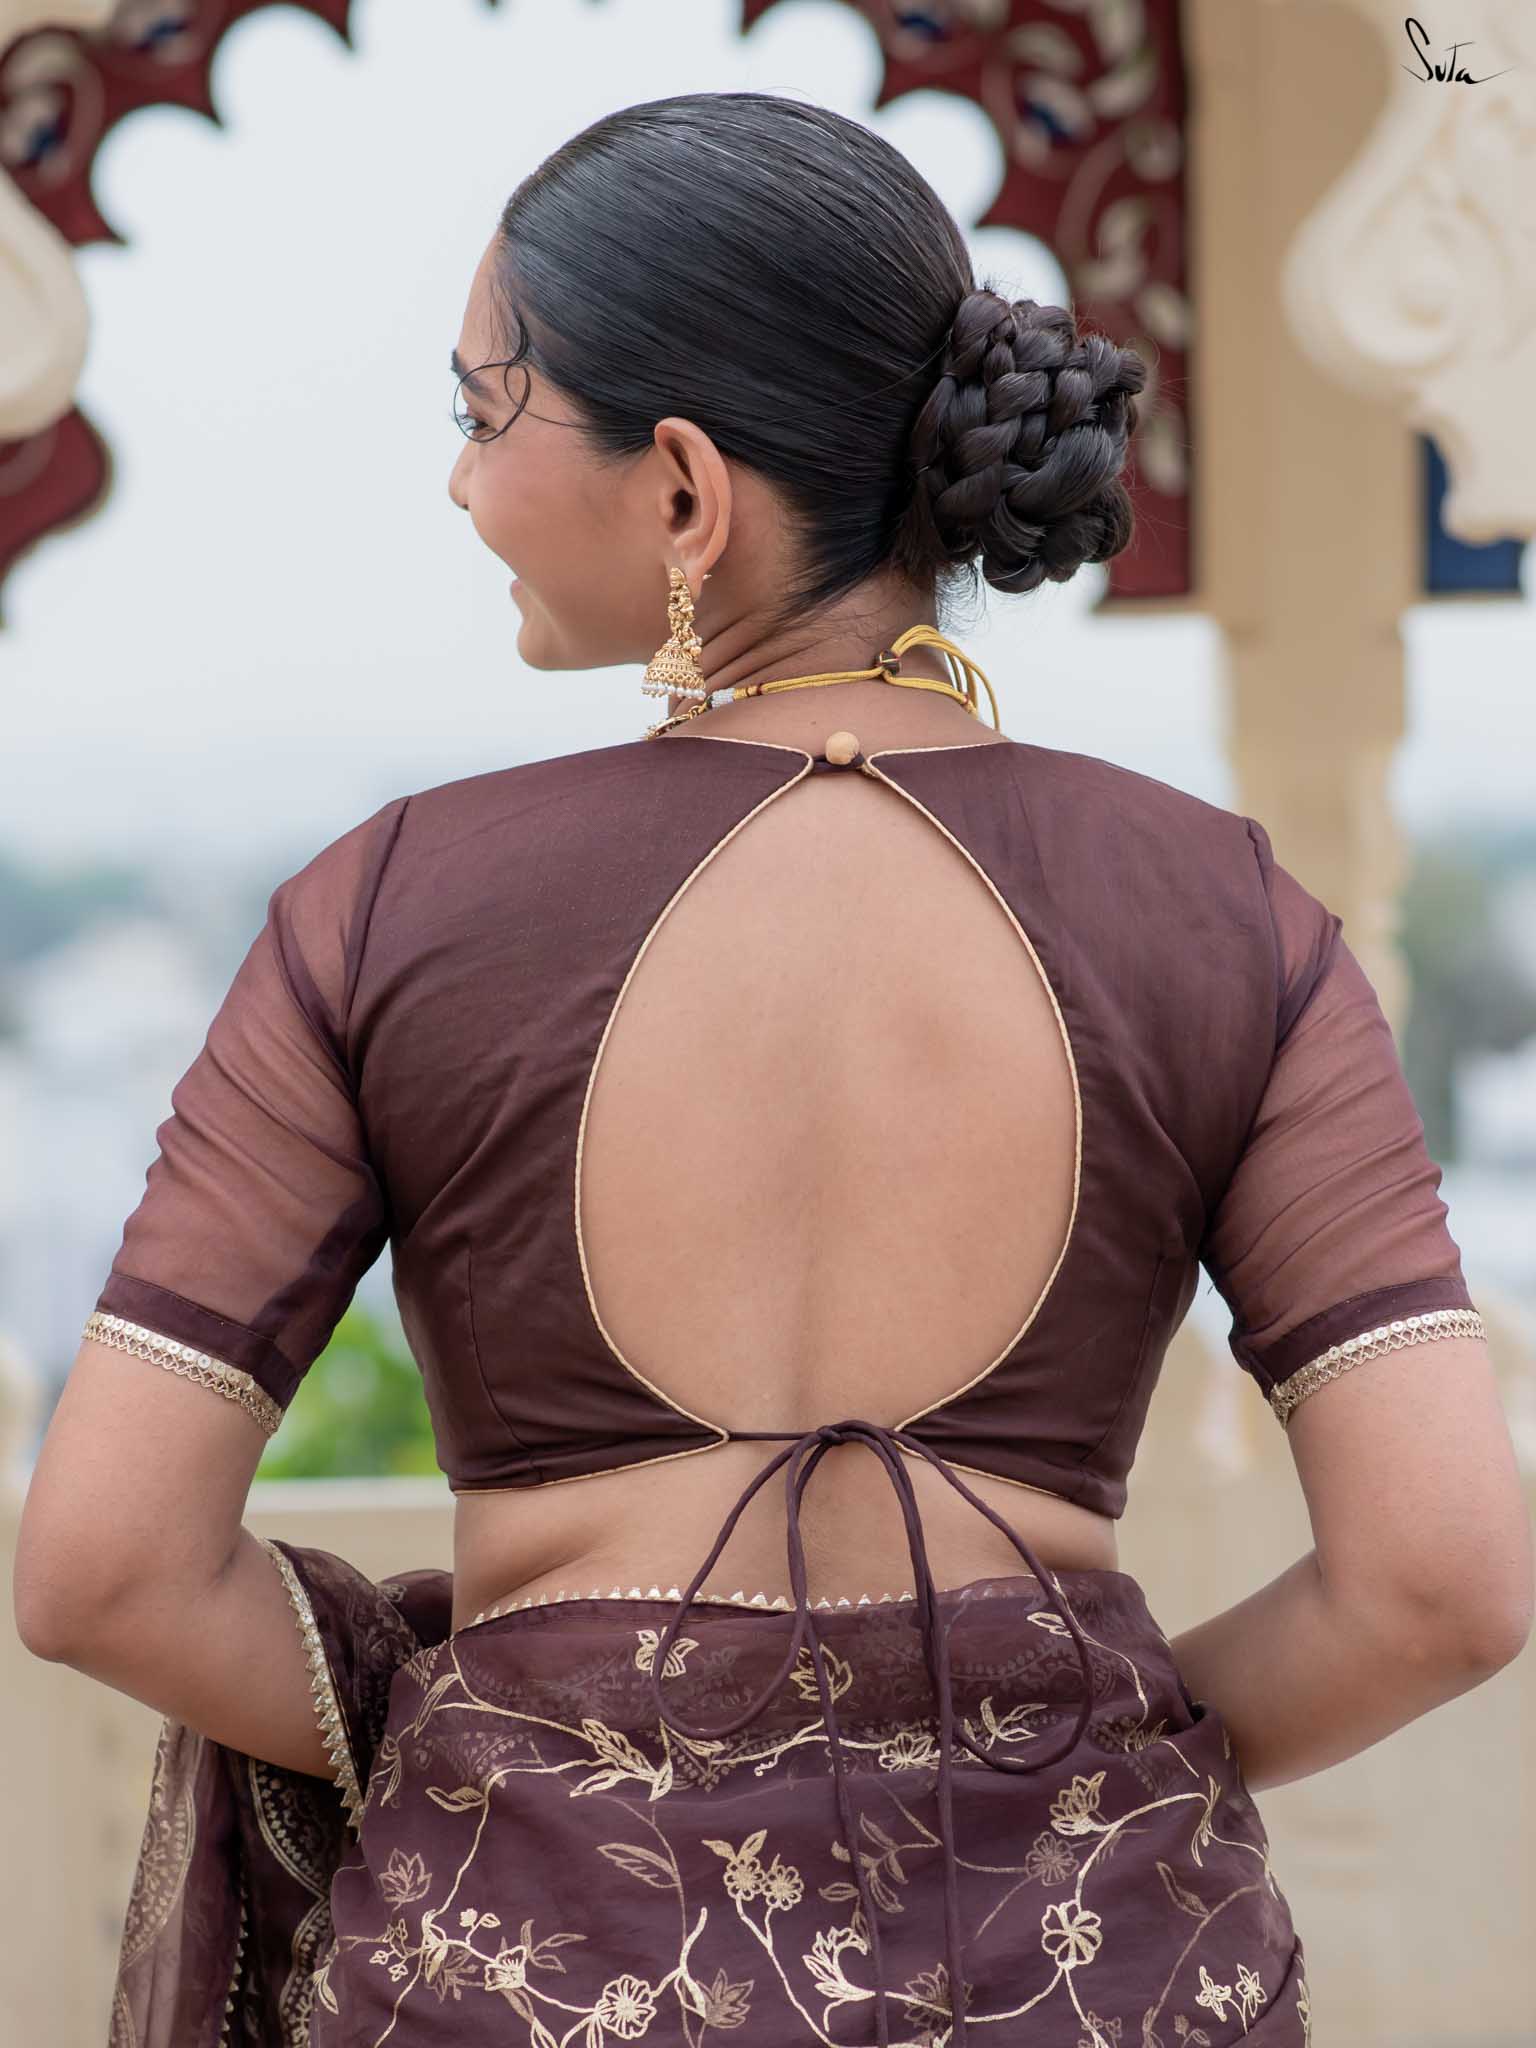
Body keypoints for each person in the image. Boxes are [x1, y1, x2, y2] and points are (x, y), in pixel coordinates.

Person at [18, 90, 1531, 2048]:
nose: (460, 483)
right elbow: (1442, 1584)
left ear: (682, 492)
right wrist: (1077, 1754)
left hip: (525, 1978)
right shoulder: (1232, 919)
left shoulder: (388, 908)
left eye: (485, 410)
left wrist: (491, 1732)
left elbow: (104, 1569)